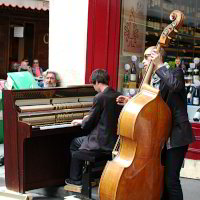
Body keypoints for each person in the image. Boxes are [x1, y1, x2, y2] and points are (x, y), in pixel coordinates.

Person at [116, 46, 195, 200]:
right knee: (159, 180)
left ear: (157, 57)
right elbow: (152, 106)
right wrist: (131, 102)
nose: (144, 61)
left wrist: (159, 66)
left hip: (175, 136)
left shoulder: (174, 72)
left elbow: (175, 86)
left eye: (147, 57)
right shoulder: (151, 80)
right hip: (158, 136)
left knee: (171, 181)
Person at [65, 69, 122, 186]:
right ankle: (90, 175)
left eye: (93, 84)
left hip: (101, 142)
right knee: (80, 141)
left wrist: (82, 121)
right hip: (113, 141)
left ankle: (75, 179)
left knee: (75, 143)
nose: (93, 87)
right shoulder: (118, 95)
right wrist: (87, 118)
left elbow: (89, 123)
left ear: (96, 82)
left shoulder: (99, 97)